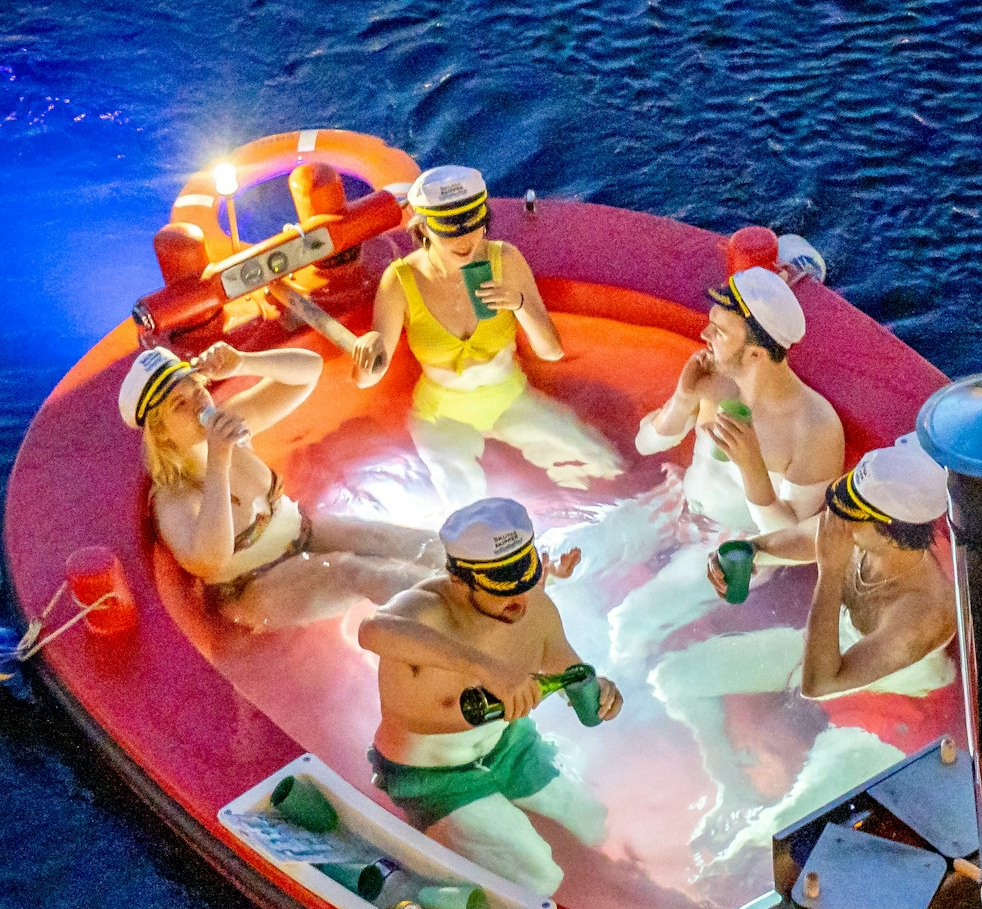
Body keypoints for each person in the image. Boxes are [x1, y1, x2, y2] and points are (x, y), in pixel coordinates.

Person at [648, 440, 960, 859]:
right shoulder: (860, 532)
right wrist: (749, 552)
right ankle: (727, 779)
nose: (835, 521)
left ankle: (737, 848)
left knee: (775, 831)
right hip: (831, 650)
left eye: (850, 515)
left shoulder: (920, 612)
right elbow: (800, 538)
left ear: (891, 532)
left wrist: (830, 570)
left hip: (892, 705)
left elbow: (820, 683)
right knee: (674, 678)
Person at [358, 498, 623, 896]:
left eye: (524, 582)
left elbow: (568, 670)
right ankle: (432, 850)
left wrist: (599, 689)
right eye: (503, 589)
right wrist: (482, 667)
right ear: (459, 582)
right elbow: (372, 630)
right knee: (539, 878)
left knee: (595, 822)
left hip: (512, 747)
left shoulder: (531, 606)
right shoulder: (427, 612)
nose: (520, 600)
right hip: (434, 779)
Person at [597, 264, 845, 664]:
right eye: (711, 324)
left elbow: (791, 543)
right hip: (679, 499)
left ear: (755, 354)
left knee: (630, 623)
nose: (704, 336)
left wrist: (752, 468)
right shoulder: (716, 380)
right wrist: (682, 396)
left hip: (738, 546)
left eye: (720, 331)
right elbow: (646, 444)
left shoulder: (813, 426)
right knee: (573, 557)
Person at [120, 343, 443, 631]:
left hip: (301, 534)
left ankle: (483, 587)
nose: (198, 405)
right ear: (160, 432)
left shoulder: (231, 420)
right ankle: (458, 625)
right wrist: (220, 459)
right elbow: (209, 561)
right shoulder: (173, 496)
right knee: (361, 573)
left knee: (407, 542)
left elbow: (307, 372)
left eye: (197, 390)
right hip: (252, 588)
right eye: (179, 404)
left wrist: (244, 362)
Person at [351, 165, 621, 508]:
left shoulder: (503, 259)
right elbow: (366, 379)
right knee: (463, 507)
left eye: (474, 226)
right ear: (423, 228)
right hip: (441, 414)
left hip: (509, 397)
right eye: (450, 231)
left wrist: (519, 303)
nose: (465, 240)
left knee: (605, 464)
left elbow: (551, 351)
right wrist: (367, 350)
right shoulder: (401, 279)